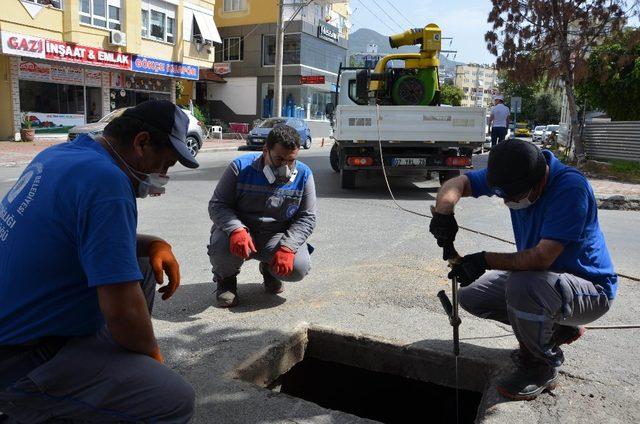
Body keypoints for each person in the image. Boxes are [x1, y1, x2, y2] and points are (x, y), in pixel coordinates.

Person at [0, 100, 198, 422]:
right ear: (141, 142)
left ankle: (101, 386)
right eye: (165, 164)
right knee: (173, 399)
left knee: (145, 263)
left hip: (20, 325)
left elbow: (72, 236)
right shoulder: (107, 183)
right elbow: (122, 312)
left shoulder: (64, 155)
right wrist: (153, 359)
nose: (162, 176)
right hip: (22, 358)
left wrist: (152, 244)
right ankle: (40, 405)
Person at [429, 140, 616, 401]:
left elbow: (541, 258)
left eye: (512, 196)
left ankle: (541, 365)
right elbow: (458, 183)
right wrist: (444, 211)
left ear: (538, 183)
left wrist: (483, 260)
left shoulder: (570, 188)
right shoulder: (515, 169)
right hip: (542, 282)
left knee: (523, 286)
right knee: (472, 295)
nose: (506, 201)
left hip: (590, 291)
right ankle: (558, 329)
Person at [208, 125, 317, 308]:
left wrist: (287, 248)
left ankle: (269, 269)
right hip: (240, 234)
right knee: (221, 247)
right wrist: (236, 229)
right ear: (265, 150)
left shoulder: (304, 174)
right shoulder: (240, 167)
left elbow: (307, 217)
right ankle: (226, 280)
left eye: (291, 161)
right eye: (279, 159)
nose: (285, 167)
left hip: (275, 237)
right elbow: (218, 205)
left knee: (299, 268)